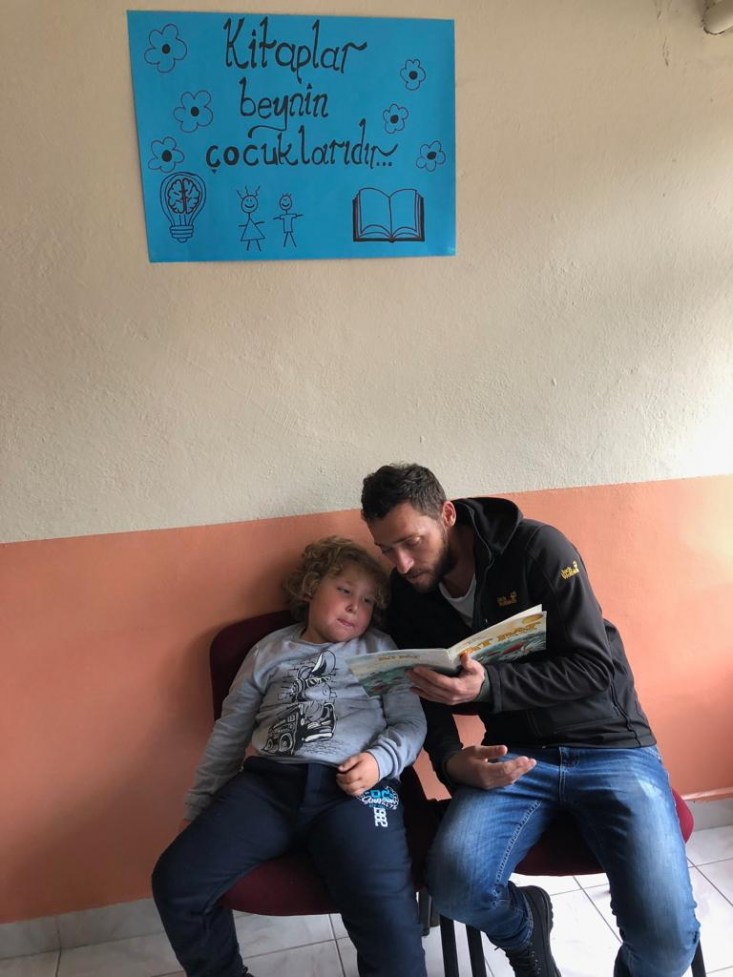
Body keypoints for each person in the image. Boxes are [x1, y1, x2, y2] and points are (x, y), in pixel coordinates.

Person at [360, 463, 700, 977]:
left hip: (611, 745)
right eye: (387, 549)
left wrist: (489, 687)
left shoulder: (538, 549)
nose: (402, 563)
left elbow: (594, 667)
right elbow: (421, 691)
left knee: (665, 945)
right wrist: (451, 761)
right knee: (454, 887)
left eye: (412, 542)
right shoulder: (407, 592)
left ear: (447, 515)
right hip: (515, 752)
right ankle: (525, 929)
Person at [152, 536, 428, 977]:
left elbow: (411, 724)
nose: (355, 606)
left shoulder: (380, 648)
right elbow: (229, 732)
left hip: (356, 789)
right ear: (311, 588)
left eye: (368, 601)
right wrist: (198, 806)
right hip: (268, 787)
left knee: (389, 920)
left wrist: (379, 761)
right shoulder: (268, 651)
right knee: (176, 878)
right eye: (344, 590)